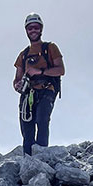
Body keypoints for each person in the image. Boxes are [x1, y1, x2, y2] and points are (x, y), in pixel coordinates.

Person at [13, 13, 65, 155]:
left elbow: (60, 70)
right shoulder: (23, 55)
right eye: (30, 28)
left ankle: (41, 157)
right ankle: (28, 159)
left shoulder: (50, 48)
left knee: (42, 121)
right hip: (28, 94)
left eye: (36, 27)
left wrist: (39, 72)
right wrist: (18, 85)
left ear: (41, 29)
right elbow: (16, 79)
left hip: (46, 90)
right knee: (26, 128)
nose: (33, 31)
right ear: (26, 31)